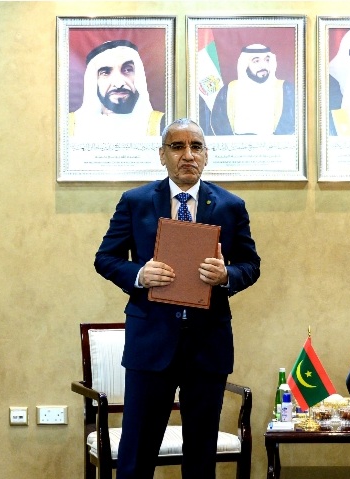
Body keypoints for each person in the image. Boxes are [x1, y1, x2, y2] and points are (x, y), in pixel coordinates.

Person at [94, 118, 261, 478]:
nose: (188, 155)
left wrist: (227, 275)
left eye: (196, 146)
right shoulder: (136, 202)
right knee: (137, 452)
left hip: (208, 344)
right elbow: (105, 259)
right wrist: (139, 275)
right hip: (151, 342)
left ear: (206, 155)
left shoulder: (231, 206)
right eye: (178, 146)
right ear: (162, 155)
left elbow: (251, 265)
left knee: (201, 454)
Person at [70, 39, 164, 138]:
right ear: (94, 82)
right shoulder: (69, 126)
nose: (119, 84)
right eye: (105, 73)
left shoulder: (161, 124)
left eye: (127, 70)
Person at [204, 44, 295, 135]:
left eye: (267, 60)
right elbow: (219, 123)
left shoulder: (285, 89)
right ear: (245, 65)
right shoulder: (229, 90)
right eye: (256, 61)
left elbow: (290, 123)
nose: (263, 66)